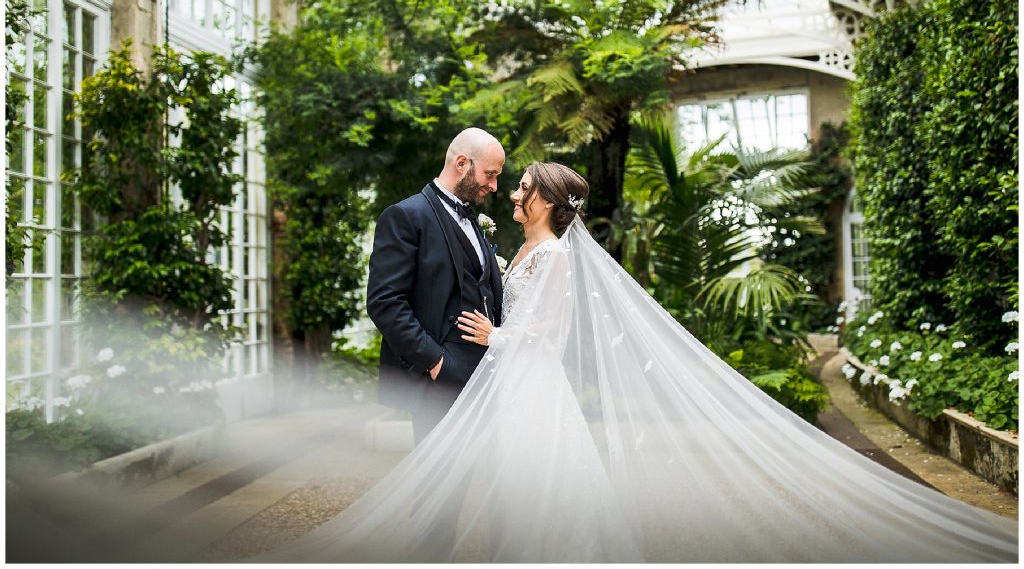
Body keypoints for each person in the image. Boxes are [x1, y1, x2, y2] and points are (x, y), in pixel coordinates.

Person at [258, 162, 1018, 563]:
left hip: (526, 382)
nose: (512, 190)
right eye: (510, 182)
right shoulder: (516, 244)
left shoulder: (552, 254)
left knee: (541, 493)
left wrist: (496, 338)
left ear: (547, 202)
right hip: (499, 384)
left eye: (522, 186)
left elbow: (543, 334)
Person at [365, 127, 505, 443]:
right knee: (440, 491)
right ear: (461, 163)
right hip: (438, 380)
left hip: (484, 375)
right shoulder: (405, 216)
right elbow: (384, 301)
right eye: (490, 174)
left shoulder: (473, 220)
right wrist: (435, 362)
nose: (494, 186)